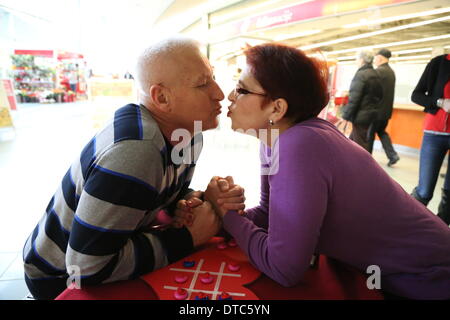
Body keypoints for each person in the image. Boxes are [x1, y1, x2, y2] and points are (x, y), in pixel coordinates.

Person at [201, 43, 450, 300]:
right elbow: (268, 212)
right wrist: (214, 218)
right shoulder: (278, 139)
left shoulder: (299, 145)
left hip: (431, 281)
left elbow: (284, 269)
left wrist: (227, 214)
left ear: (277, 108)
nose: (228, 96)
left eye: (241, 89)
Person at [22, 36, 245, 300]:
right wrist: (187, 237)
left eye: (213, 77)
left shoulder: (189, 133)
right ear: (161, 97)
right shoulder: (137, 151)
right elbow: (86, 268)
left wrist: (190, 202)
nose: (220, 93)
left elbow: (160, 198)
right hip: (58, 278)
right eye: (202, 84)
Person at [410, 53, 450, 226]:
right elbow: (416, 95)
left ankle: (441, 233)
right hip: (434, 134)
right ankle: (409, 227)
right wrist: (441, 102)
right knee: (424, 191)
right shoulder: (438, 63)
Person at [341, 50, 383, 153]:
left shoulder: (361, 74)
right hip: (371, 114)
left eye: (357, 59)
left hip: (360, 115)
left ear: (362, 60)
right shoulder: (376, 74)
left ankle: (362, 166)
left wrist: (345, 116)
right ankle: (347, 162)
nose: (356, 61)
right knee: (353, 140)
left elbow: (354, 98)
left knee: (360, 144)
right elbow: (380, 95)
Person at [373, 48, 400, 167]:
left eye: (375, 57)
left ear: (380, 58)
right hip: (386, 111)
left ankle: (364, 159)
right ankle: (392, 155)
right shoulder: (391, 72)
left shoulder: (379, 71)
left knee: (367, 137)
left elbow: (373, 91)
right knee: (382, 132)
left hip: (376, 111)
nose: (374, 60)